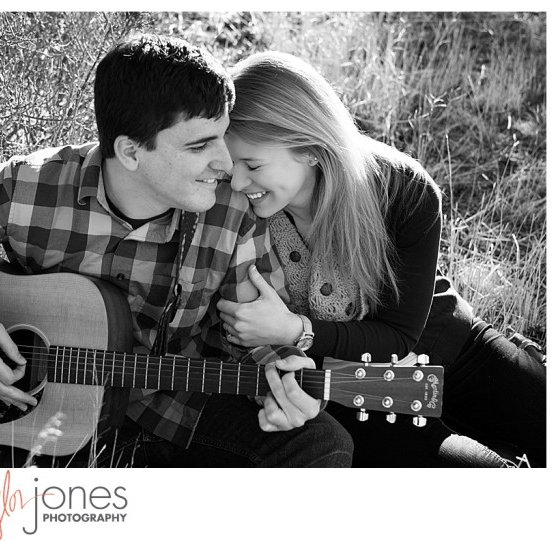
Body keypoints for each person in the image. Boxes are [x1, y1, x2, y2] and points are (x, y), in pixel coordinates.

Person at [0, 34, 353, 467]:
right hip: (55, 422)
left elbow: (257, 331)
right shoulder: (27, 190)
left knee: (321, 444)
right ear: (130, 151)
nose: (225, 163)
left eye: (223, 137)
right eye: (199, 146)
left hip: (175, 402)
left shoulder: (230, 210)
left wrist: (283, 373)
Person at [216, 51, 546, 467]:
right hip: (347, 392)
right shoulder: (233, 208)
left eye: (253, 164)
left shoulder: (402, 190)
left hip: (448, 346)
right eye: (232, 165)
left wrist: (294, 328)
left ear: (311, 149)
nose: (239, 181)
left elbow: (399, 334)